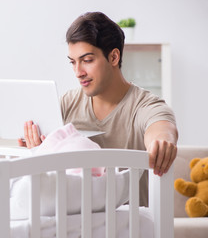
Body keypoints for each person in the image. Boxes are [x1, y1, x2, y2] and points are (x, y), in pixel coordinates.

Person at [18, 11, 178, 206]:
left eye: (87, 60)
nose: (78, 72)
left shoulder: (145, 105)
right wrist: (37, 150)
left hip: (129, 228)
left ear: (113, 57)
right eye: (73, 62)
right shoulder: (66, 104)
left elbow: (161, 127)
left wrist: (161, 142)